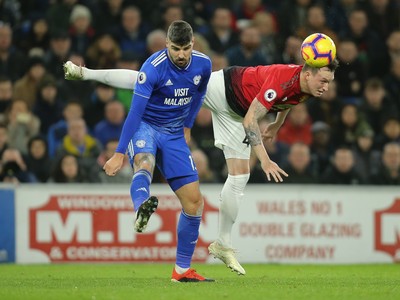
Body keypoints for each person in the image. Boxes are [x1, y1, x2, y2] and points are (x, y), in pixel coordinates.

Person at [64, 41, 339, 275]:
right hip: (223, 90)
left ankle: (222, 243)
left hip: (235, 114)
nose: (327, 87)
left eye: (329, 81)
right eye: (324, 80)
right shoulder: (285, 80)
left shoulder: (307, 86)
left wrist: (277, 125)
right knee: (147, 79)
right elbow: (251, 120)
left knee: (240, 175)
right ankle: (85, 73)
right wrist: (265, 159)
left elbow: (287, 102)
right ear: (308, 71)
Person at [76, 20, 213, 282]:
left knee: (194, 202)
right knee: (145, 162)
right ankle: (141, 208)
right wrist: (118, 152)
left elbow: (200, 93)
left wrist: (188, 125)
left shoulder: (203, 64)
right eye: (176, 48)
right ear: (166, 45)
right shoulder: (152, 69)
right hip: (146, 127)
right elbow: (135, 112)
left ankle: (181, 271)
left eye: (186, 48)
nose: (181, 55)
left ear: (193, 44)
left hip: (173, 134)